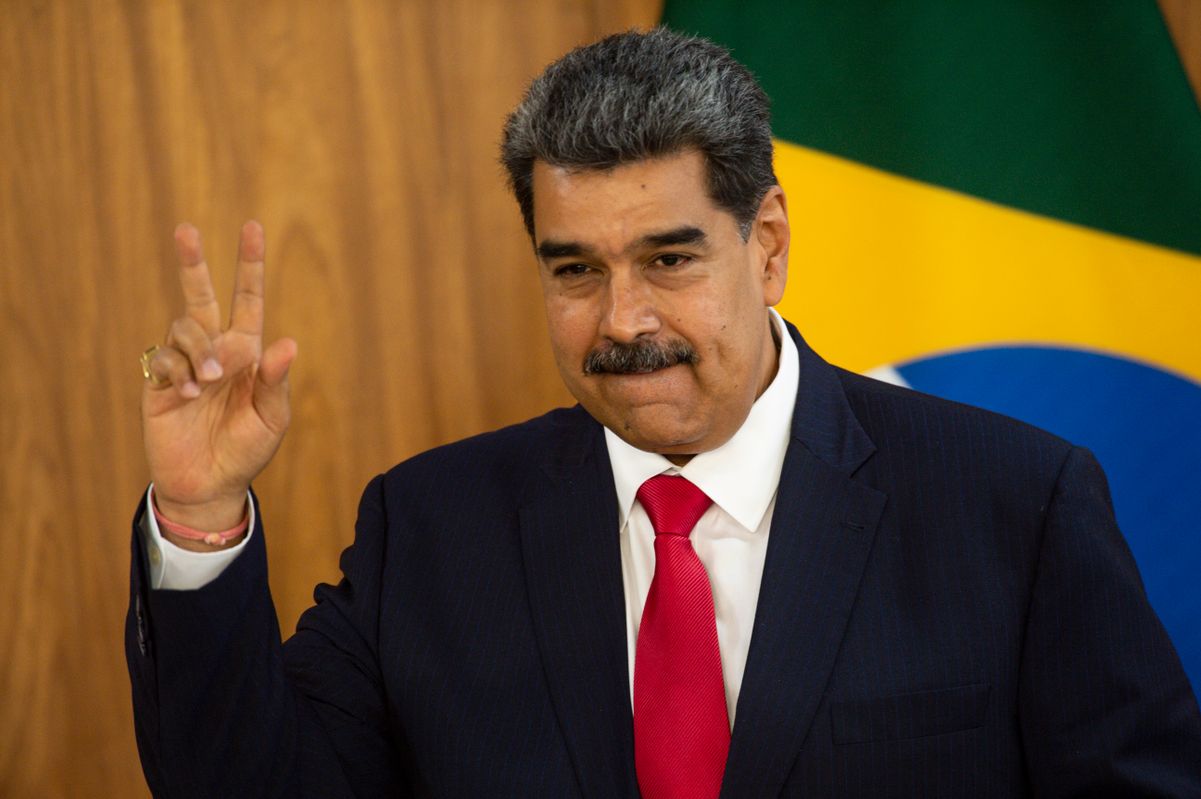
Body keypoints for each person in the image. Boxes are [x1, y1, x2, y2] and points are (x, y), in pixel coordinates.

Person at [127, 28, 1201, 798]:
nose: (622, 320)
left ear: (767, 245)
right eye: (574, 270)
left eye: (669, 257)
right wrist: (200, 512)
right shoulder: (431, 524)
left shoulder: (1013, 503)